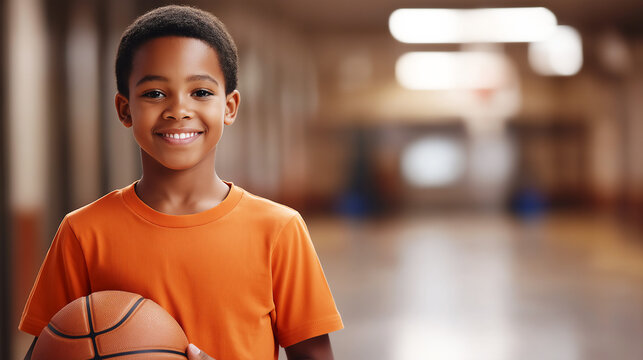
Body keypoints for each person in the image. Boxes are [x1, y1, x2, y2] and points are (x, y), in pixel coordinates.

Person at [20, 5, 343, 360]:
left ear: (229, 107)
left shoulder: (279, 231)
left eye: (201, 92)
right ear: (125, 109)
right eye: (154, 93)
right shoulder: (82, 233)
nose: (178, 110)